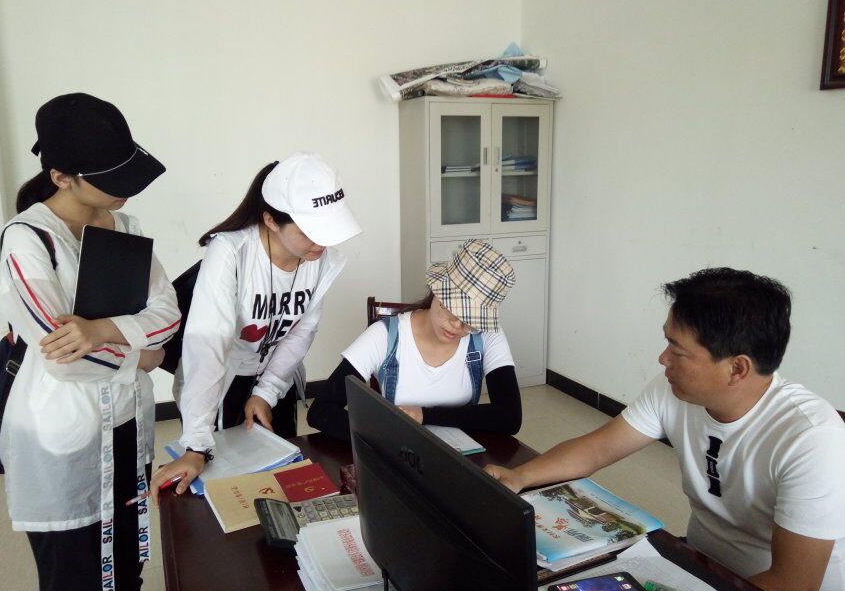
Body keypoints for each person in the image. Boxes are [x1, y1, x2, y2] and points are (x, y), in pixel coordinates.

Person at [485, 268, 845, 591]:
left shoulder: (812, 439)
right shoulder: (674, 389)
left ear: (737, 369)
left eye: (677, 350)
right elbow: (596, 449)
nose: (662, 359)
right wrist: (519, 477)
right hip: (698, 563)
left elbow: (793, 583)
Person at [0, 93, 181, 591]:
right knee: (73, 571)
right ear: (61, 177)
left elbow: (167, 314)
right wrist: (144, 357)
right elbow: (61, 357)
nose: (127, 191)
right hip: (64, 430)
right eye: (110, 179)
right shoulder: (28, 238)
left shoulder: (124, 226)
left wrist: (98, 331)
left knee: (126, 561)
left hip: (128, 421)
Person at [151, 151, 361, 499]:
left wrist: (266, 391)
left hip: (279, 374)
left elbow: (301, 330)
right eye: (311, 232)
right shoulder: (231, 252)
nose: (322, 243)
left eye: (329, 231)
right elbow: (208, 343)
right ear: (271, 220)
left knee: (281, 473)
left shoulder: (319, 259)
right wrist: (196, 444)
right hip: (222, 379)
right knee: (225, 484)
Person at [308, 239, 522, 442]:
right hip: (399, 449)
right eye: (453, 311)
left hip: (459, 453)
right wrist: (384, 437)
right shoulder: (386, 336)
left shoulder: (486, 336)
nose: (457, 326)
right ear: (437, 291)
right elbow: (321, 411)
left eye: (470, 321)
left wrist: (424, 415)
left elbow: (510, 416)